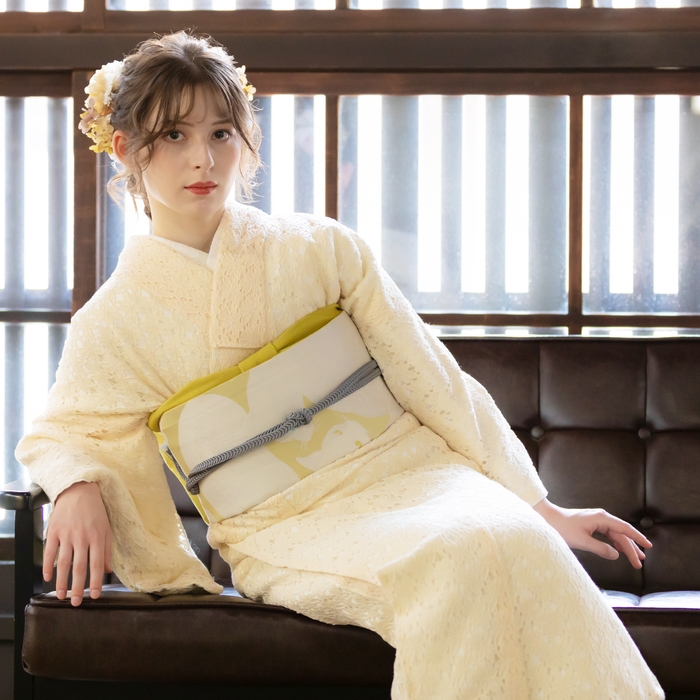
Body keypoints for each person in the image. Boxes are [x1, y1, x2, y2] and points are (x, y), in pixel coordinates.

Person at [16, 30, 664, 700]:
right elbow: (67, 431)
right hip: (283, 524)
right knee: (452, 560)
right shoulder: (113, 320)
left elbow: (431, 376)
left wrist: (541, 506)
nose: (203, 158)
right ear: (125, 149)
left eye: (221, 133)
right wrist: (77, 484)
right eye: (174, 135)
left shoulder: (321, 248)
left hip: (413, 473)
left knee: (517, 537)